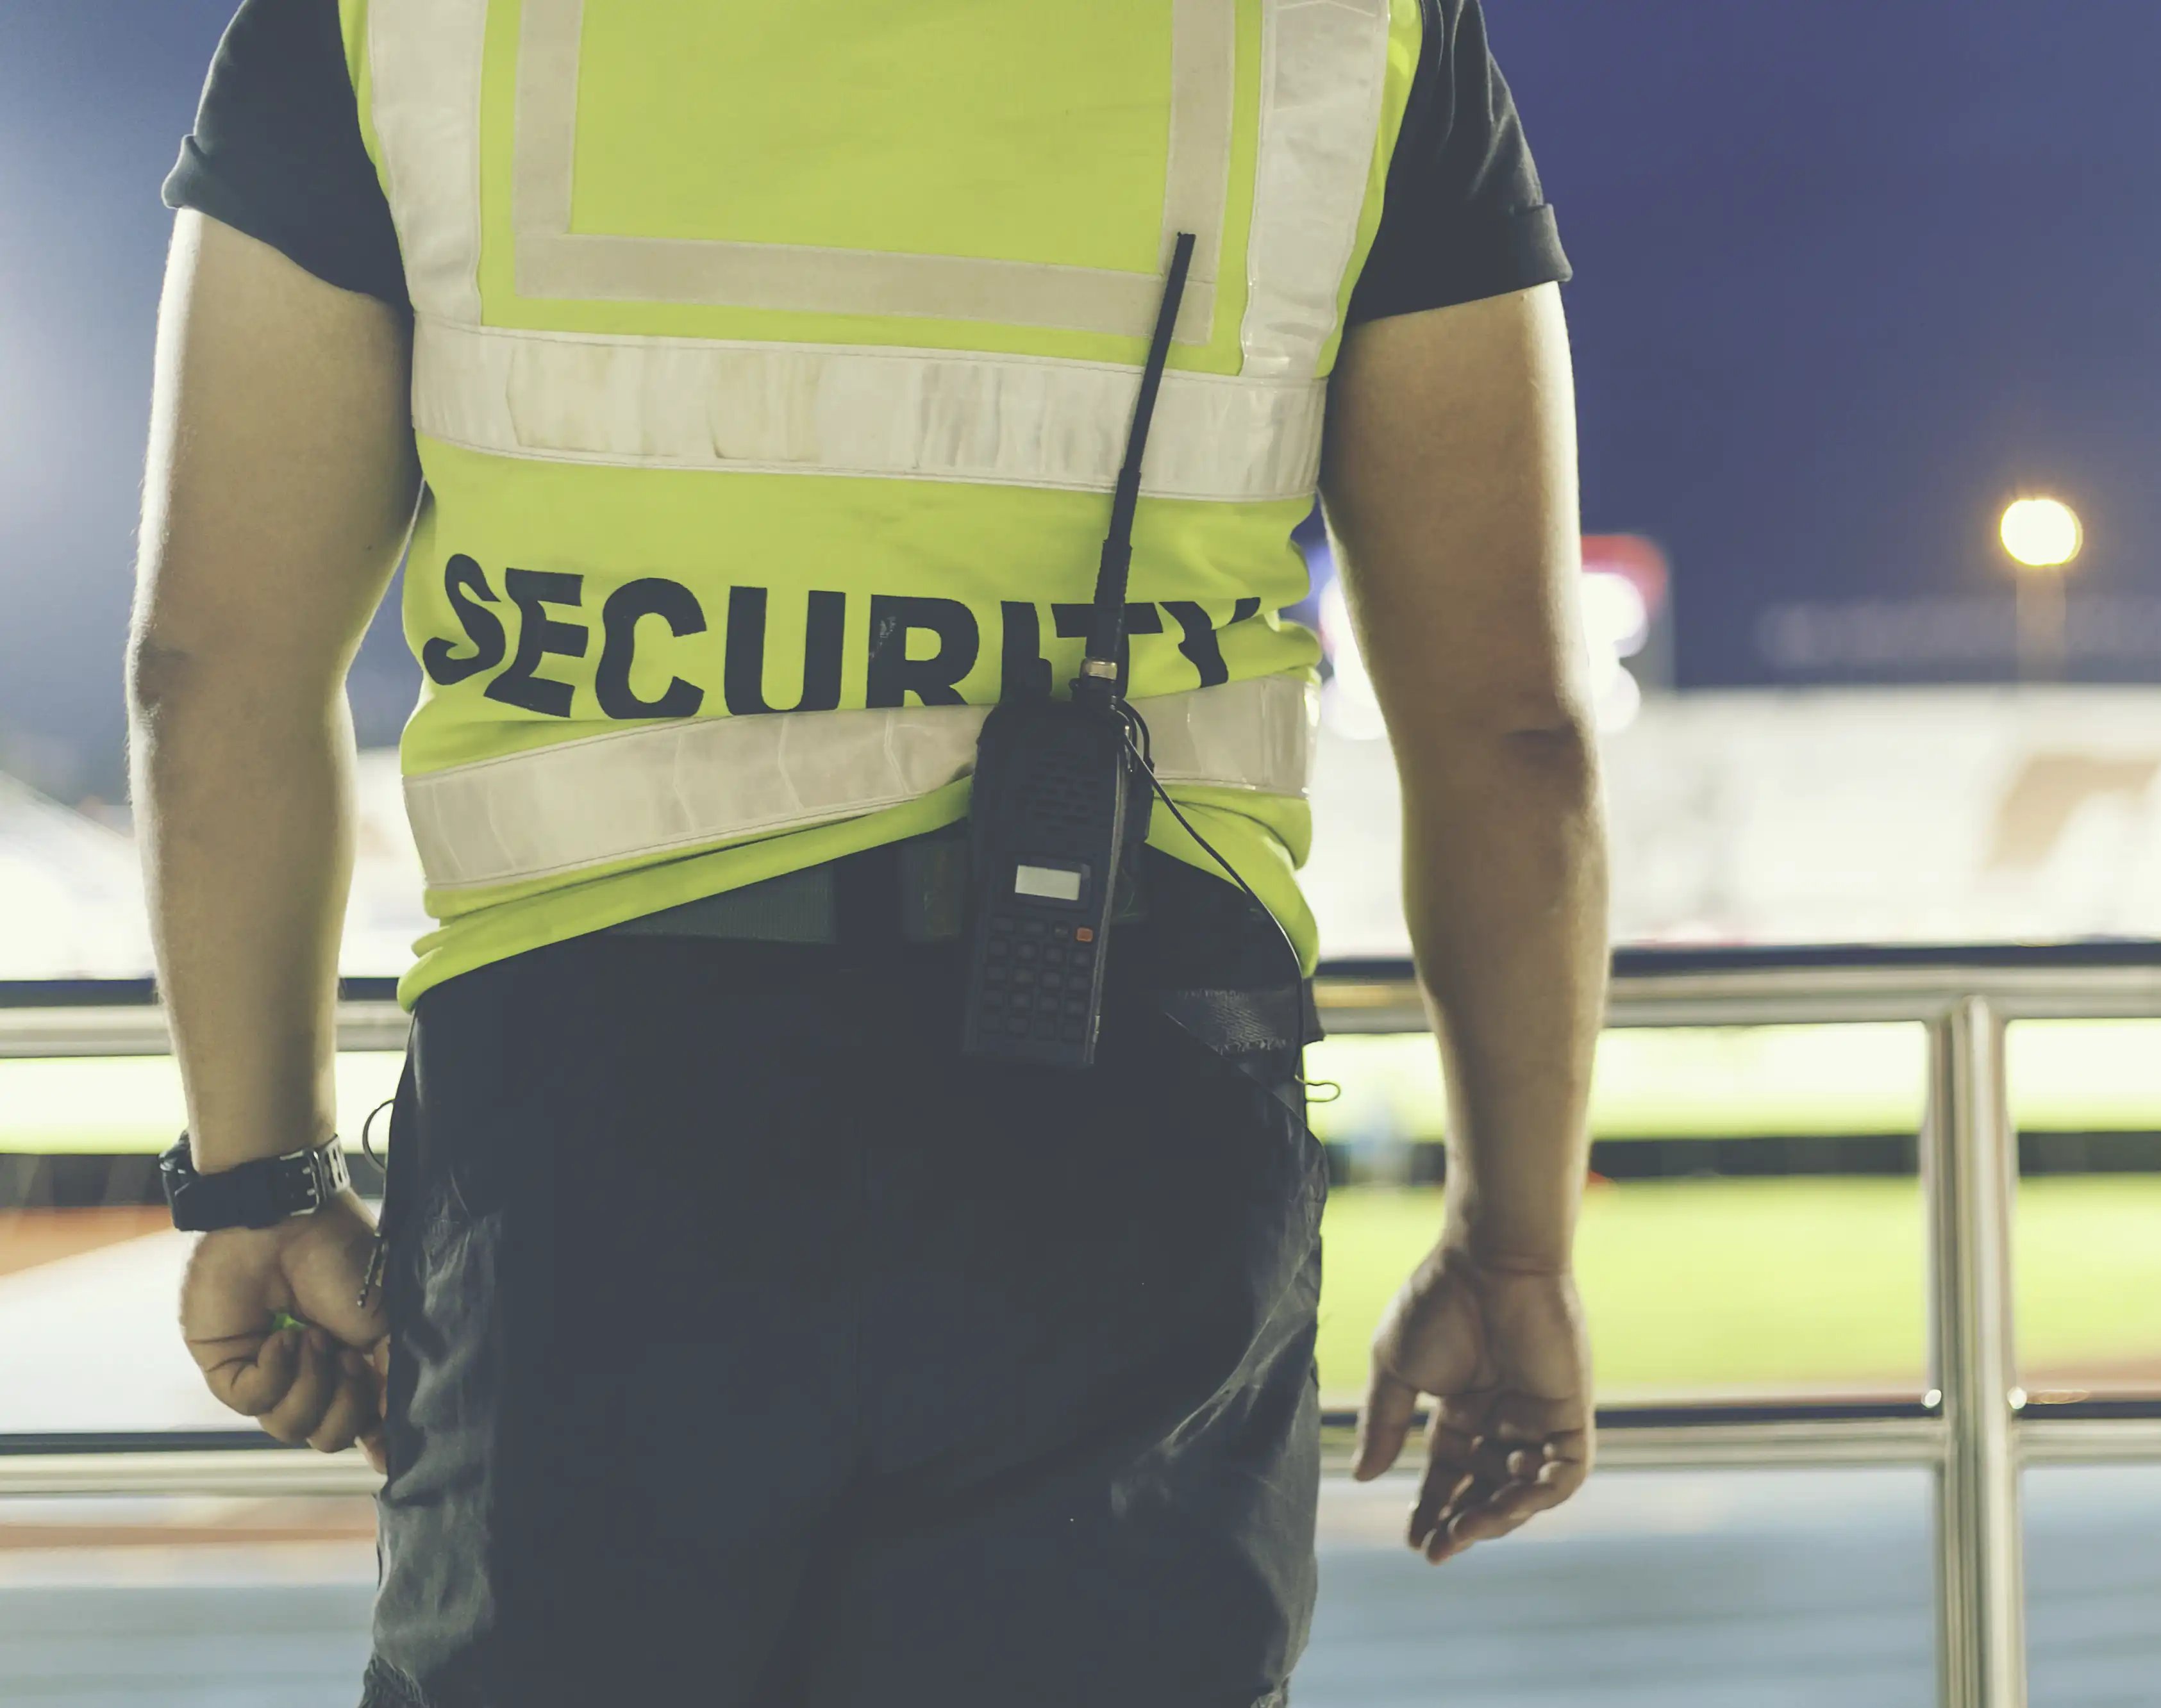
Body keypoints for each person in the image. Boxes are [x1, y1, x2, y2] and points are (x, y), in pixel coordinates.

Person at [133, 1, 1607, 1702]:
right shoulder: (1355, 30)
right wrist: (1515, 1248)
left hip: (594, 1149)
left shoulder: (389, 24)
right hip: (1122, 1126)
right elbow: (1517, 731)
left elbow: (209, 666)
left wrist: (260, 1183)